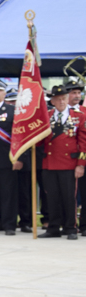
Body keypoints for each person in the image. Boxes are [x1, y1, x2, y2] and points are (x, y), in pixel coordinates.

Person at [39, 85, 86, 240]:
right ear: (52, 101)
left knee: (68, 198)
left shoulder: (79, 116)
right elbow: (39, 141)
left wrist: (81, 164)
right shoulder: (46, 116)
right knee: (52, 197)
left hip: (69, 163)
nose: (61, 102)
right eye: (58, 99)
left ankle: (70, 228)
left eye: (64, 98)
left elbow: (83, 142)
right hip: (49, 163)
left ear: (68, 99)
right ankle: (53, 227)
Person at [0, 79, 20, 235]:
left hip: (7, 159)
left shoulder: (12, 110)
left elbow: (18, 136)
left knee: (9, 194)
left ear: (5, 93)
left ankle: (9, 225)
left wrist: (19, 158)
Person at [65, 80, 86, 234]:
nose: (77, 96)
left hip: (81, 159)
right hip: (66, 161)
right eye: (73, 92)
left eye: (79, 93)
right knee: (68, 195)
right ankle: (67, 225)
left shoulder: (83, 113)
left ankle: (84, 225)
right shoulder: (56, 112)